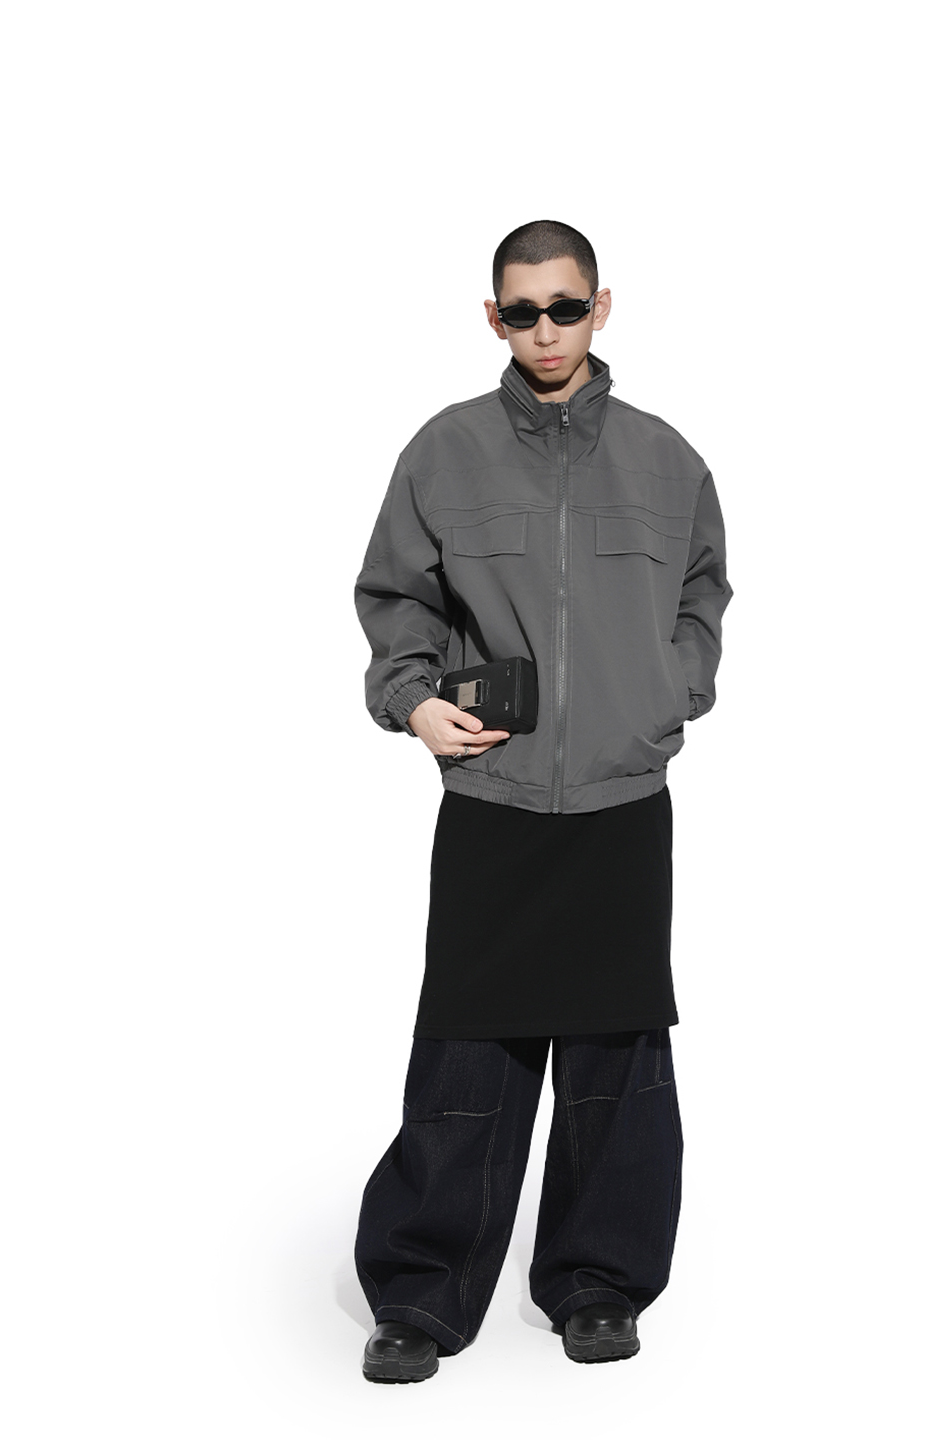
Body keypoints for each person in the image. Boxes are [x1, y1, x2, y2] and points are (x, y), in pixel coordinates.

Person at [351, 219, 733, 1384]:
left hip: (621, 798)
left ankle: (599, 1282)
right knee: (469, 1046)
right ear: (494, 318)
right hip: (496, 794)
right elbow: (395, 598)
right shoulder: (446, 452)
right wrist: (413, 701)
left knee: (617, 1046)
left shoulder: (666, 460)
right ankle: (421, 1292)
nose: (546, 331)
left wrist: (671, 690)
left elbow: (703, 593)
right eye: (522, 312)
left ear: (600, 307)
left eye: (566, 307)